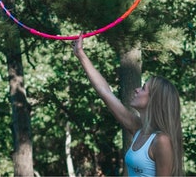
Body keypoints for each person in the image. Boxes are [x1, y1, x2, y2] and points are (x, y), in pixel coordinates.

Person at [73, 33, 183, 176]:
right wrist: (81, 54)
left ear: (154, 101)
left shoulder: (161, 141)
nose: (137, 89)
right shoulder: (138, 129)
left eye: (143, 88)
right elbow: (105, 92)